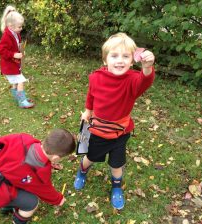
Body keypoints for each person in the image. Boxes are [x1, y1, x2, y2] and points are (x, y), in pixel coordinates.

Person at [74, 32, 155, 210]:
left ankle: (116, 187)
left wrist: (147, 67)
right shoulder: (95, 77)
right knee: (91, 157)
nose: (120, 60)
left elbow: (145, 80)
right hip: (98, 131)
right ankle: (82, 171)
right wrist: (88, 110)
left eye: (125, 56)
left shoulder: (133, 80)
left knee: (117, 163)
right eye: (114, 55)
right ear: (105, 60)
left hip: (120, 132)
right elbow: (91, 95)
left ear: (132, 61)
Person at [0, 128, 75, 224]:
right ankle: (17, 220)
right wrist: (59, 199)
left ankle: (8, 206)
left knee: (20, 184)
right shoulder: (41, 172)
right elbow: (45, 191)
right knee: (32, 203)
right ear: (56, 157)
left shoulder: (22, 138)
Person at [0, 5, 34, 108]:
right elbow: (1, 50)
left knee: (15, 82)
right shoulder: (6, 36)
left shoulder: (15, 33)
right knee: (20, 81)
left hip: (13, 64)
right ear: (10, 26)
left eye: (21, 26)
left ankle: (18, 97)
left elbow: (16, 46)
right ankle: (22, 101)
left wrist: (20, 52)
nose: (21, 28)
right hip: (9, 65)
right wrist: (14, 54)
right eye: (19, 27)